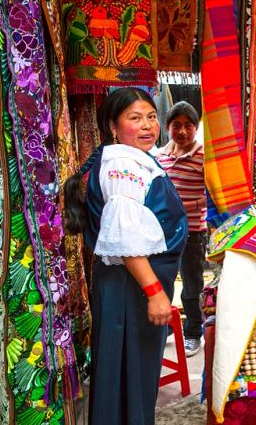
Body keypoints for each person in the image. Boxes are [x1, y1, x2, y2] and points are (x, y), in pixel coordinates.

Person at [63, 88, 188, 425]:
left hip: (129, 286)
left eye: (150, 116)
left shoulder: (129, 157)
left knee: (129, 372)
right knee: (129, 373)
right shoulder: (122, 164)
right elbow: (125, 236)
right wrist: (155, 293)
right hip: (131, 288)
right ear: (113, 126)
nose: (148, 125)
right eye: (135, 118)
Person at [156, 101, 207, 357]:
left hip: (193, 231)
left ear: (196, 128)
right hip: (164, 232)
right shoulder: (159, 155)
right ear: (168, 127)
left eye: (189, 125)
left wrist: (184, 205)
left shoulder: (203, 156)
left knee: (191, 284)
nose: (183, 131)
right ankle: (165, 328)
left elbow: (213, 196)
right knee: (163, 280)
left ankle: (193, 332)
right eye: (177, 125)